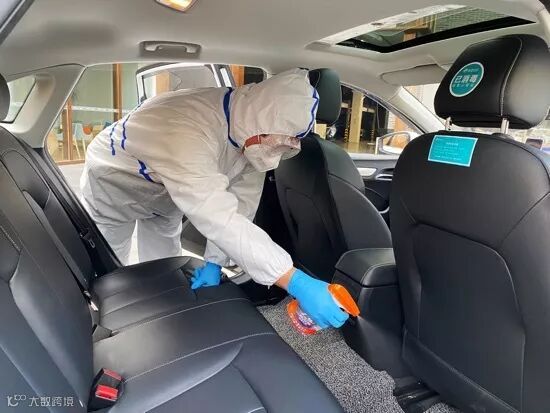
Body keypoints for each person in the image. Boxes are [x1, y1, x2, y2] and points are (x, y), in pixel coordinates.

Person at [81, 69, 348, 329]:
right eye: (276, 144)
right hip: (116, 183)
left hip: (168, 191)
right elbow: (219, 217)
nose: (276, 154)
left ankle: (162, 322)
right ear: (261, 124)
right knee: (111, 269)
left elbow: (241, 206)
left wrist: (215, 262)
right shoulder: (187, 129)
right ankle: (112, 327)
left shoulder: (253, 129)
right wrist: (293, 280)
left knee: (162, 266)